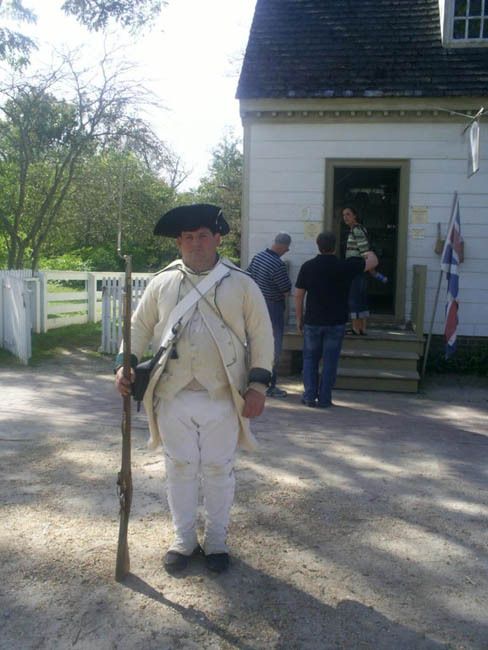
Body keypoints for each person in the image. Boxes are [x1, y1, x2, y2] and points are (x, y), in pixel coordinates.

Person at [114, 204, 274, 575]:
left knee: (219, 469)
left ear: (217, 238)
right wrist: (124, 363)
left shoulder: (242, 283)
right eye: (188, 237)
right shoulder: (162, 282)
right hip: (172, 395)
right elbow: (138, 327)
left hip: (223, 395)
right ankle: (183, 540)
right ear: (178, 242)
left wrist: (258, 386)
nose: (196, 244)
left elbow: (262, 335)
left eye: (203, 236)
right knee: (180, 468)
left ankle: (216, 539)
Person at [295, 231, 378, 408]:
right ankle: (325, 399)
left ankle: (309, 396)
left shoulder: (308, 266)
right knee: (330, 361)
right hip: (336, 321)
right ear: (335, 246)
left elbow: (299, 295)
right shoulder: (345, 266)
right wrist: (366, 249)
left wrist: (299, 318)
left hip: (313, 320)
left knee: (310, 359)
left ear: (318, 245)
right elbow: (373, 262)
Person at [246, 232, 292, 398]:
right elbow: (286, 288)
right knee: (273, 348)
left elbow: (248, 276)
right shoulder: (277, 264)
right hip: (272, 308)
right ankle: (270, 385)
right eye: (287, 248)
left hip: (255, 306)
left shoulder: (258, 257)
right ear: (282, 246)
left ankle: (251, 382)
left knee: (255, 345)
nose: (287, 251)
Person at [342, 205, 386, 334]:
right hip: (359, 266)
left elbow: (365, 252)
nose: (345, 217)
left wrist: (371, 270)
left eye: (348, 214)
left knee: (354, 297)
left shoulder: (356, 230)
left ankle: (356, 329)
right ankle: (362, 329)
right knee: (360, 297)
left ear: (355, 215)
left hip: (356, 266)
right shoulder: (358, 229)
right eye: (344, 215)